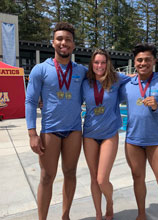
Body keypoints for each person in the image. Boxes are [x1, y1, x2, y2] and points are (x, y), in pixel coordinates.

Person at [82, 49, 158, 220]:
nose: (99, 66)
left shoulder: (116, 79)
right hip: (89, 133)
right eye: (96, 62)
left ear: (108, 64)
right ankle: (99, 214)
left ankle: (109, 202)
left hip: (109, 133)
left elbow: (139, 74)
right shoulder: (85, 82)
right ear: (91, 64)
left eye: (103, 62)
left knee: (101, 179)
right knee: (93, 179)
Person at [25, 22, 87, 220]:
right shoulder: (40, 69)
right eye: (60, 39)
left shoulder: (82, 71)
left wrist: (151, 76)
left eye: (68, 40)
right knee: (46, 177)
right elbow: (31, 100)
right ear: (53, 42)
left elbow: (106, 77)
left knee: (70, 173)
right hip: (50, 130)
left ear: (73, 45)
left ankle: (65, 216)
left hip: (74, 131)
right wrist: (32, 133)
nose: (63, 43)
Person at [119, 43, 158, 220]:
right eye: (139, 60)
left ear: (154, 61)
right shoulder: (127, 84)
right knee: (137, 178)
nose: (143, 63)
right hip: (133, 141)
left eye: (147, 59)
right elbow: (106, 83)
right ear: (134, 62)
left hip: (156, 141)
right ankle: (141, 215)